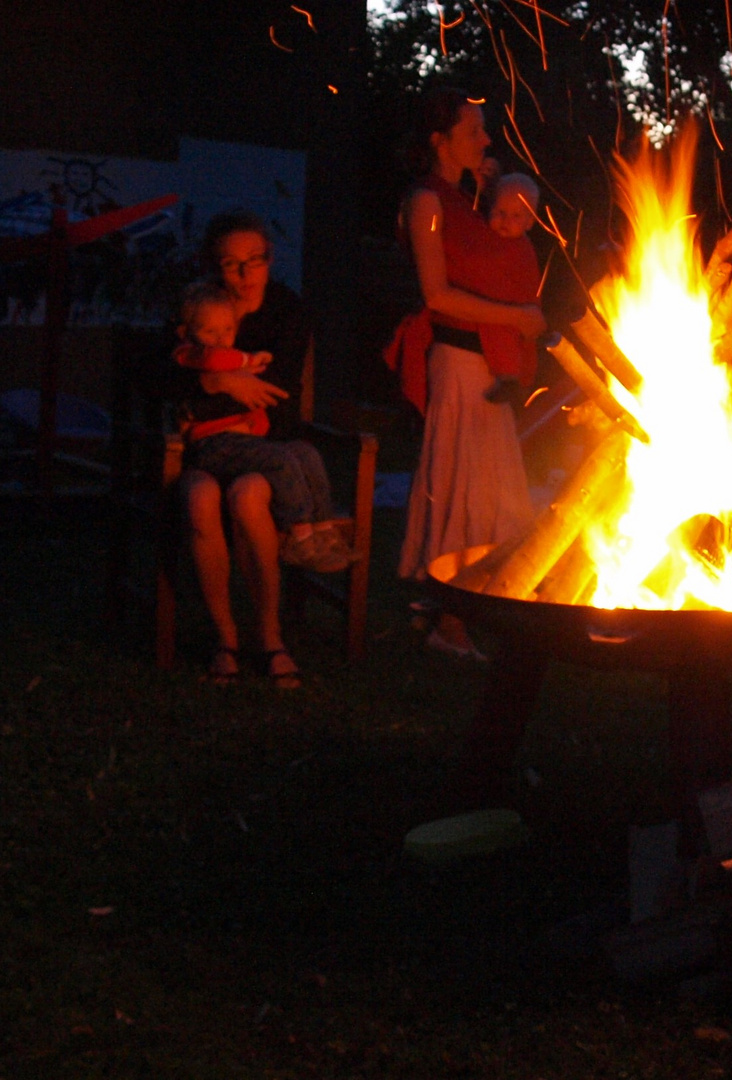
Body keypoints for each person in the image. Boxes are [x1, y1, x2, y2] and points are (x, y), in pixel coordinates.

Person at [396, 89, 546, 658]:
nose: (487, 139)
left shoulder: (463, 198)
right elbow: (436, 293)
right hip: (458, 362)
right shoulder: (427, 204)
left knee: (487, 485)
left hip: (485, 363)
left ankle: (451, 607)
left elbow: (491, 239)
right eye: (474, 130)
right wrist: (518, 317)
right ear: (440, 140)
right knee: (461, 483)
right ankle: (448, 620)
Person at [161, 211, 315, 687]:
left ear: (270, 259)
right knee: (201, 496)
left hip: (261, 443)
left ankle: (269, 637)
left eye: (256, 261)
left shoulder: (287, 311)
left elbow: (279, 389)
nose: (246, 275)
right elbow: (164, 371)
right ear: (215, 267)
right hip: (205, 449)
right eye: (232, 264)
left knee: (248, 494)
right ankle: (224, 637)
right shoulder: (199, 306)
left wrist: (208, 383)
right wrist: (221, 379)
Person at [172, 281, 354, 574]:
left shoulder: (231, 355)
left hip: (246, 441)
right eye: (211, 331)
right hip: (214, 443)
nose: (220, 339)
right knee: (279, 459)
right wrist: (250, 361)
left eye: (227, 330)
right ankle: (299, 535)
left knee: (306, 453)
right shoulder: (191, 353)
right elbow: (216, 358)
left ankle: (324, 529)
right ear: (188, 332)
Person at [476, 172, 543, 406]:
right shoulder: (487, 238)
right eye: (500, 213)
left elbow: (528, 285)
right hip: (498, 308)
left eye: (516, 216)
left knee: (514, 344)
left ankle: (512, 381)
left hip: (516, 310)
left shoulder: (523, 250)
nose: (505, 221)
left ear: (530, 221)